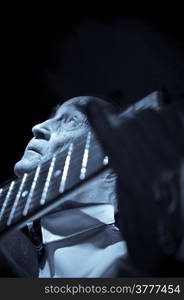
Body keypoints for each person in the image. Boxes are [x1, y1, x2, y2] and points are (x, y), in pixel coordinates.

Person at [13, 96, 127, 278]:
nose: (38, 127)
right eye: (52, 117)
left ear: (111, 170)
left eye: (72, 121)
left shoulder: (121, 265)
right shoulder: (16, 236)